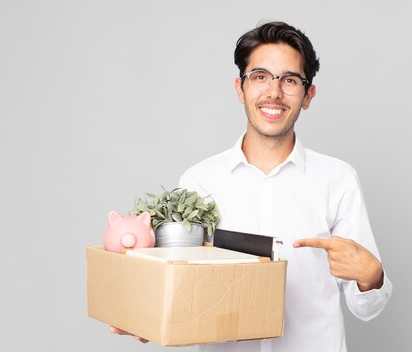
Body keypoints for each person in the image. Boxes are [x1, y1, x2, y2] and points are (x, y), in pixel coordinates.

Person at [113, 21, 392, 351]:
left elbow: (367, 307)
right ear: (240, 88)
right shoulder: (199, 182)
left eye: (289, 80)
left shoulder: (337, 179)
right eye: (260, 77)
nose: (274, 92)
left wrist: (371, 277)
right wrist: (148, 313)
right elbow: (180, 286)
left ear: (308, 95)